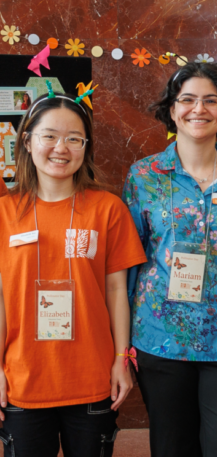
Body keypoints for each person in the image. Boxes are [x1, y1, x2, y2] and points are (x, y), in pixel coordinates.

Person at [122, 62, 217, 457]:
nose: (198, 109)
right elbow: (130, 262)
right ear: (172, 110)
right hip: (160, 336)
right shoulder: (144, 176)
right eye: (187, 99)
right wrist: (125, 344)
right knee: (172, 447)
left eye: (210, 100)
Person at [0, 91, 146, 456]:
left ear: (86, 146)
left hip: (92, 378)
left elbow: (117, 292)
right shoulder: (5, 213)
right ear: (28, 140)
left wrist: (121, 359)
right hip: (24, 380)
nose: (60, 148)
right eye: (49, 135)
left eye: (74, 139)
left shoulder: (107, 209)